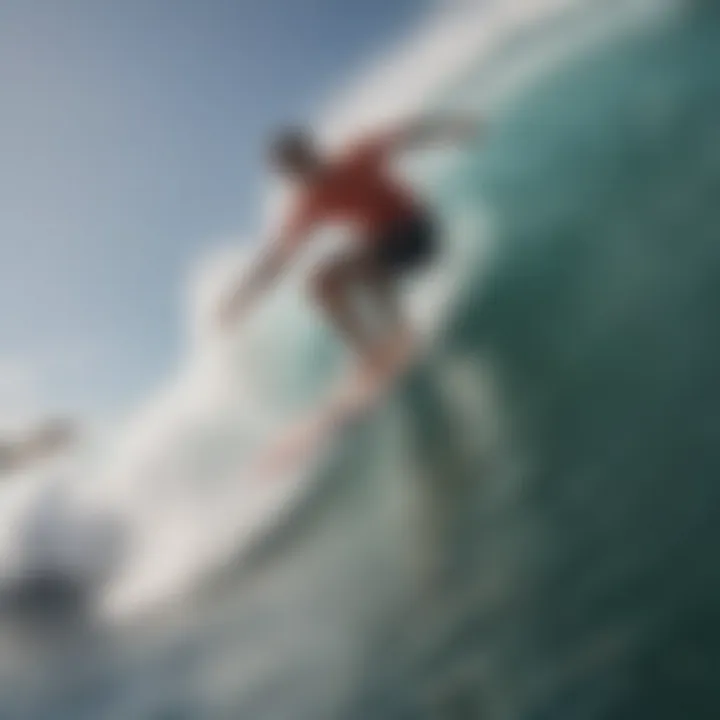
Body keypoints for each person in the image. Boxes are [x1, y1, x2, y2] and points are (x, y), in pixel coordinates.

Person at [220, 116, 480, 386]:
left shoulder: (355, 156)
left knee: (366, 263)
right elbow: (278, 257)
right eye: (290, 171)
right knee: (321, 283)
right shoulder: (311, 202)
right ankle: (372, 353)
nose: (298, 173)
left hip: (419, 234)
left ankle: (400, 333)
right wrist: (242, 298)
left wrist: (453, 129)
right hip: (384, 249)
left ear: (310, 151)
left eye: (298, 162)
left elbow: (408, 135)